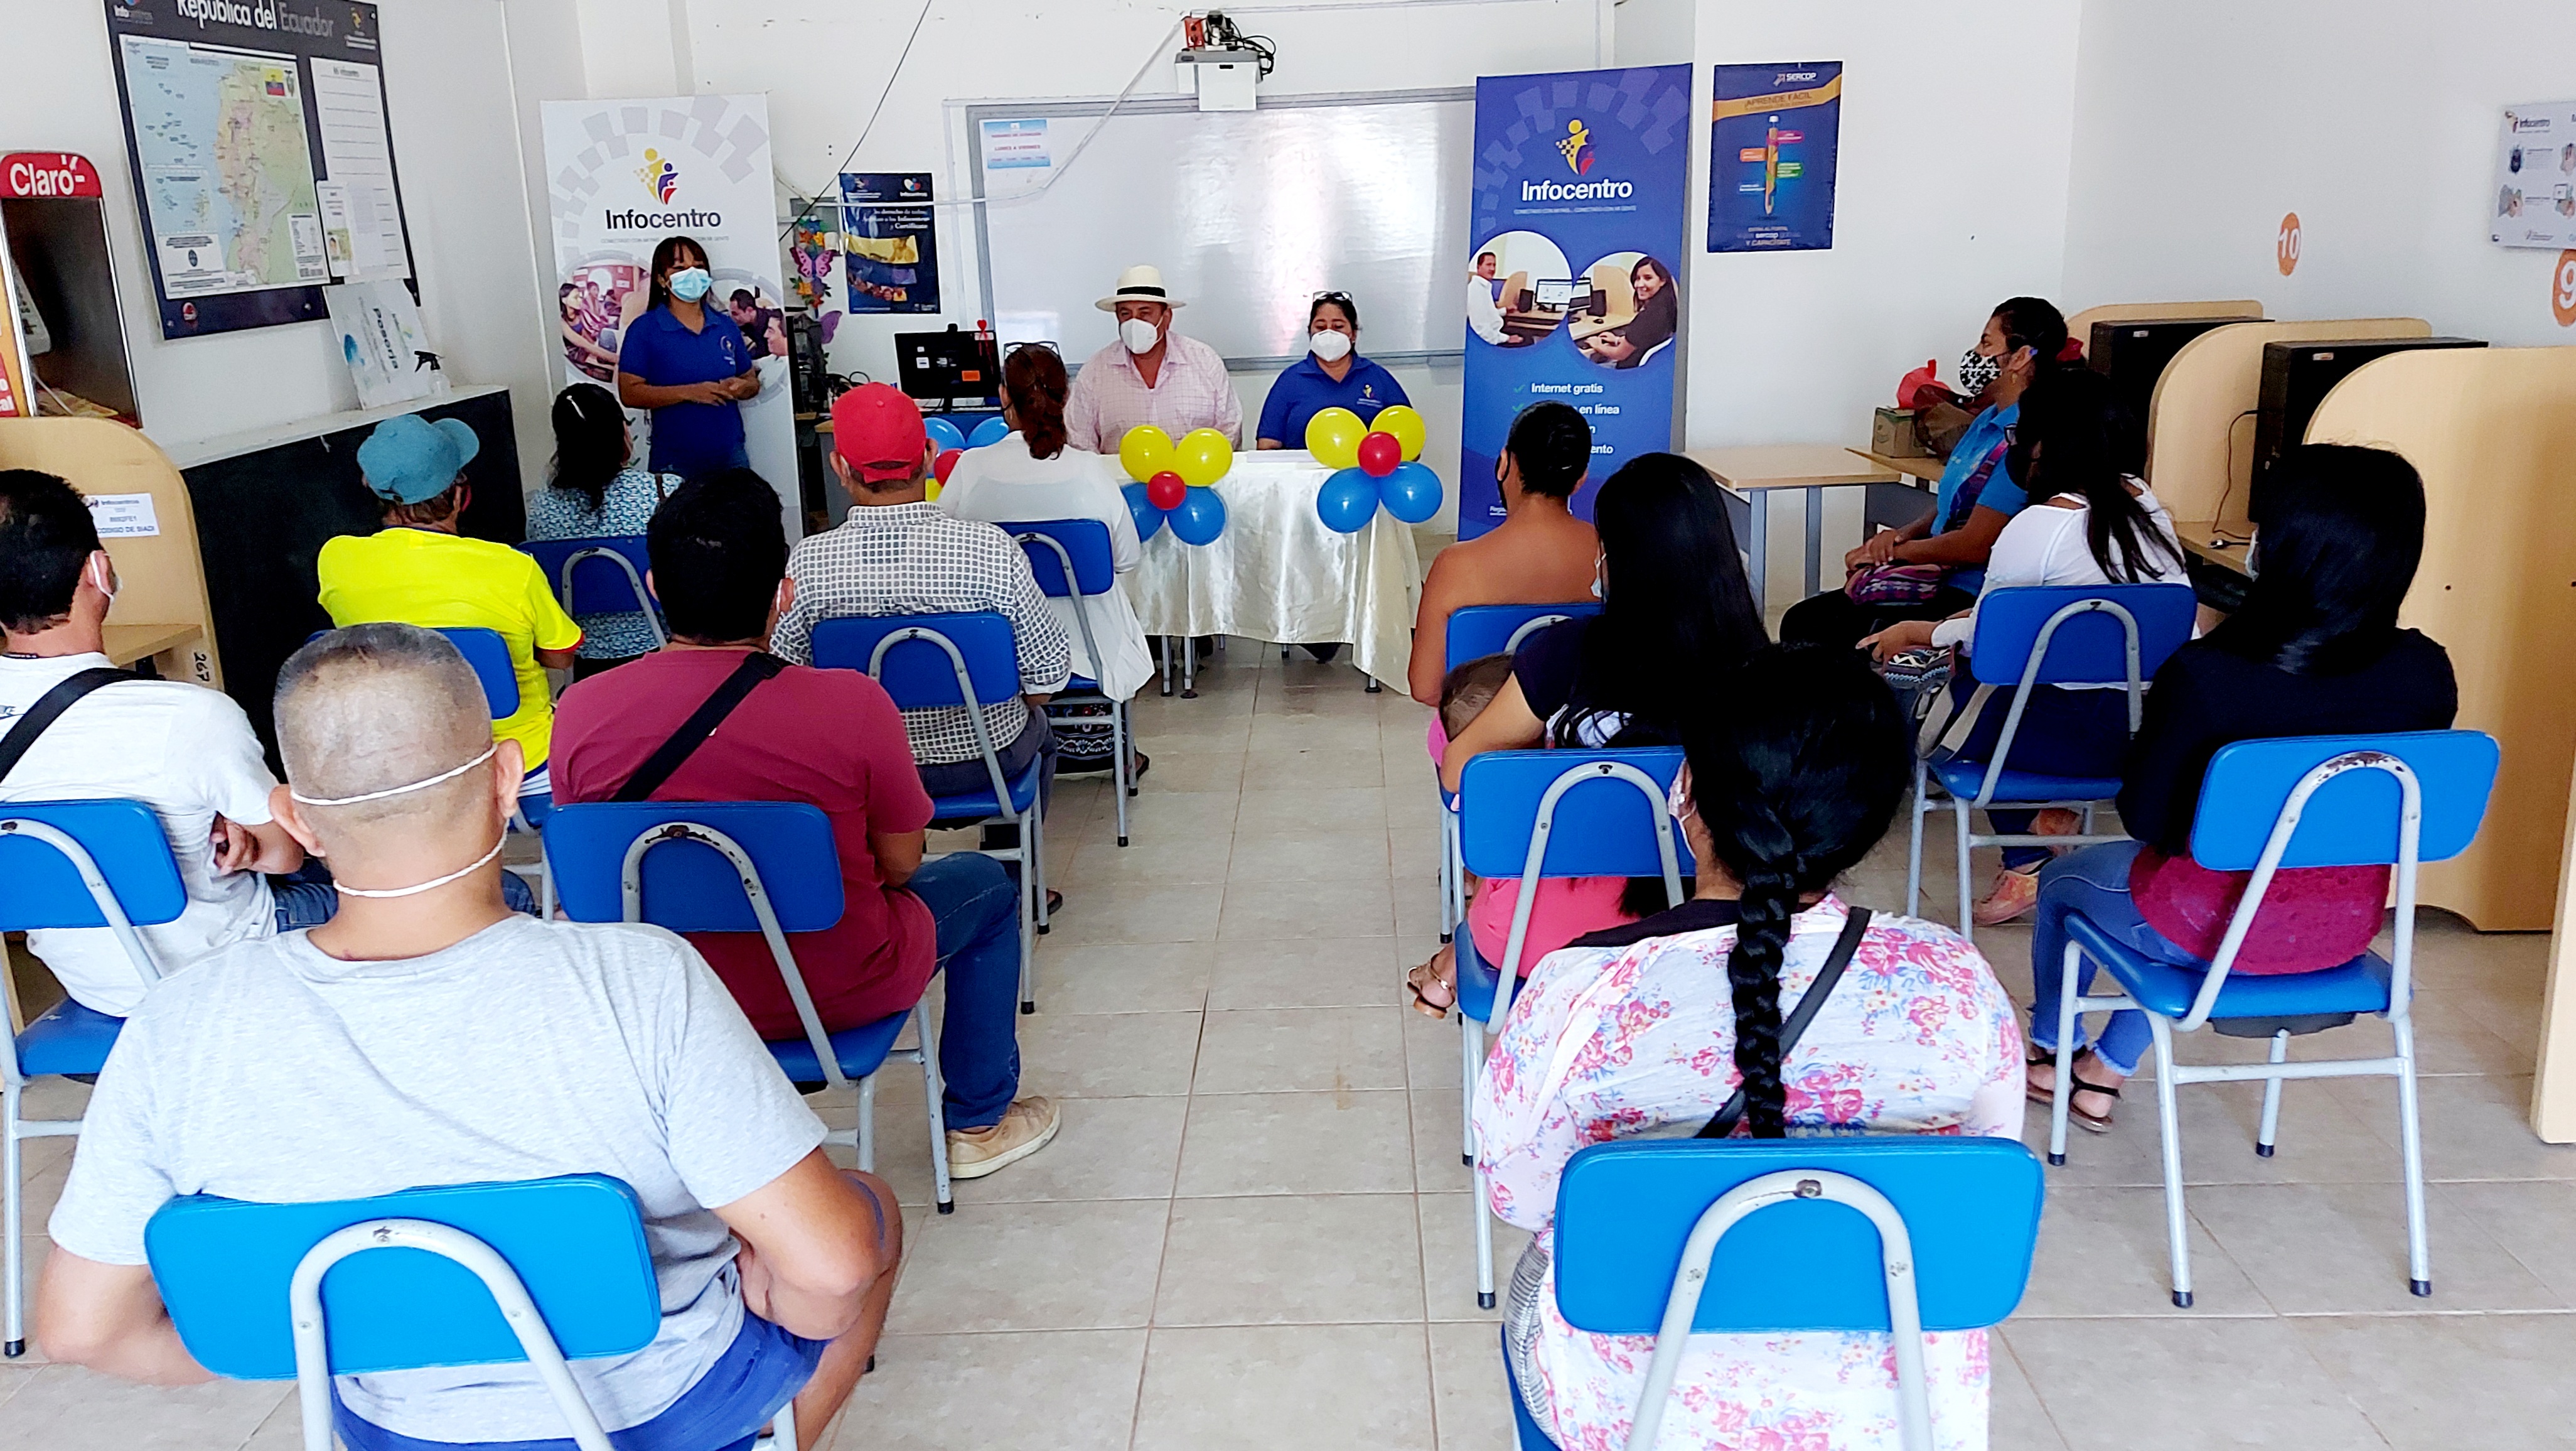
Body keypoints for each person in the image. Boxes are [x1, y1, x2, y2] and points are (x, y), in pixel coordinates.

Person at [36, 625, 896, 1451]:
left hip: (399, 1430)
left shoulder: (177, 1022)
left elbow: (83, 1328)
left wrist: (313, 1343)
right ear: (507, 778)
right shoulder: (642, 979)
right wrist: (783, 1302)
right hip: (667, 1413)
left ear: (296, 818)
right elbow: (831, 1269)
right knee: (869, 1211)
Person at [1474, 644, 2022, 1451]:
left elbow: (1517, 1195)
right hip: (1892, 1412)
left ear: (1687, 791)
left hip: (1639, 1416)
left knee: (1537, 1274)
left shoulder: (1582, 990)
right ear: (1867, 821)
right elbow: (1983, 1174)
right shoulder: (1957, 982)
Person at [553, 472, 1060, 1177]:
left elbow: (594, 869)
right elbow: (903, 864)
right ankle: (979, 1122)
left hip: (664, 998)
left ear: (655, 587)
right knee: (986, 884)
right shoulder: (852, 704)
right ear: (783, 594)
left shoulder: (581, 710)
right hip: (833, 987)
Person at [2025, 445, 2458, 1132]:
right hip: (2344, 930)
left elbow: (2147, 821)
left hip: (2203, 929)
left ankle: (2053, 1050)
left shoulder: (2208, 674)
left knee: (2068, 883)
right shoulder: (2427, 672)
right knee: (2213, 896)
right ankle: (2101, 1074)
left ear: (2286, 547)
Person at [1408, 452, 1768, 1017]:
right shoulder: (1765, 675)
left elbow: (1462, 772)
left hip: (1558, 935)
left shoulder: (1566, 653)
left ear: (1621, 558)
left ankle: (1457, 959)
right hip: (1722, 932)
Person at [1865, 365, 2188, 925]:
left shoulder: (2039, 526)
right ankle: (2046, 817)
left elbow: (1989, 646)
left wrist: (1916, 632)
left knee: (1899, 684)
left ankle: (2026, 859)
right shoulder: (2150, 509)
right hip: (2143, 732)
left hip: (2052, 733)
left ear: (2042, 445)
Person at [0, 470, 326, 1015]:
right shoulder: (190, 717)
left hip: (96, 993)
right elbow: (284, 855)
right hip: (223, 973)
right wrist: (241, 835)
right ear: (99, 570)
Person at [770, 384, 1071, 883]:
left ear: (839, 466)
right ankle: (1012, 880)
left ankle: (896, 882)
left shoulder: (809, 564)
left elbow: (788, 684)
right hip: (985, 759)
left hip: (870, 773)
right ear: (930, 455)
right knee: (1041, 734)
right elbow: (1046, 680)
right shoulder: (991, 550)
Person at [315, 413, 579, 818]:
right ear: (458, 495)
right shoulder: (511, 568)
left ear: (373, 487)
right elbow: (561, 657)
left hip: (406, 772)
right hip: (523, 770)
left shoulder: (336, 561)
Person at [1779, 296, 2070, 649]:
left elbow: (1974, 546)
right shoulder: (1987, 419)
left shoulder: (2023, 437)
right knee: (1806, 620)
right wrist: (1901, 536)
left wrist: (1896, 553)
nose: (1976, 354)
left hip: (1964, 592)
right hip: (1933, 573)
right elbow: (1957, 501)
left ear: (2021, 357)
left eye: (1986, 343)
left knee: (1811, 628)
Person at [938, 343, 1157, 714]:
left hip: (999, 647)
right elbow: (1126, 559)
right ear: (1065, 397)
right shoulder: (1089, 470)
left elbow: (945, 559)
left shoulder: (970, 469)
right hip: (1090, 648)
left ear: (1004, 395)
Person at [1405, 401, 1599, 708]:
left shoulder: (1456, 565)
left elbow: (1426, 688)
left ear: (1505, 463)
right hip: (1580, 732)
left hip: (1485, 736)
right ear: (1580, 479)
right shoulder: (1615, 554)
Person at [525, 381, 684, 679]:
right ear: (621, 432)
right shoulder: (663, 491)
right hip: (657, 645)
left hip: (584, 655)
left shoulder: (542, 506)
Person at [616, 235, 760, 478]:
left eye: (698, 267)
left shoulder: (725, 325)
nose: (692, 274)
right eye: (680, 268)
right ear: (662, 279)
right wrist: (691, 392)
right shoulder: (644, 330)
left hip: (731, 455)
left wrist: (742, 387)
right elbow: (629, 393)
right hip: (674, 461)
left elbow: (751, 381)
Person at [1061, 264, 1242, 454]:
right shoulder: (1095, 372)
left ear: (1166, 317)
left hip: (1193, 472)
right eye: (1125, 314)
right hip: (1117, 474)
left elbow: (1229, 429)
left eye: (1145, 313)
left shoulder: (1205, 362)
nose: (1134, 322)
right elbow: (1080, 442)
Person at [1254, 291, 1412, 448]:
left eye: (1338, 327)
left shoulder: (1377, 377)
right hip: (1303, 465)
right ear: (1310, 332)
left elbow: (1408, 441)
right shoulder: (1290, 380)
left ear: (1353, 334)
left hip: (1363, 465)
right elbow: (1267, 445)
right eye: (1320, 327)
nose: (1329, 333)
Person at [1619, 254, 1678, 357]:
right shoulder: (1668, 308)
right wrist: (1618, 340)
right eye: (1637, 278)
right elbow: (1643, 340)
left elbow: (1619, 354)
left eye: (1648, 278)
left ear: (1662, 281)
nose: (1639, 284)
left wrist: (1596, 344)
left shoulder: (1650, 316)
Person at [727, 287, 787, 359]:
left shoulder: (772, 319)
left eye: (735, 314)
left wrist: (740, 358)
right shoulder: (745, 323)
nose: (732, 317)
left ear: (749, 310)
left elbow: (764, 350)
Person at [1466, 251, 1510, 345]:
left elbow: (1487, 315)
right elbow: (1480, 329)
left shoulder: (1484, 287)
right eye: (1488, 265)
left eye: (1494, 265)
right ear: (1478, 267)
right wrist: (1507, 339)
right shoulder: (1476, 289)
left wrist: (1505, 311)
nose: (1492, 269)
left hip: (1495, 334)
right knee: (1527, 340)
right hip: (1491, 339)